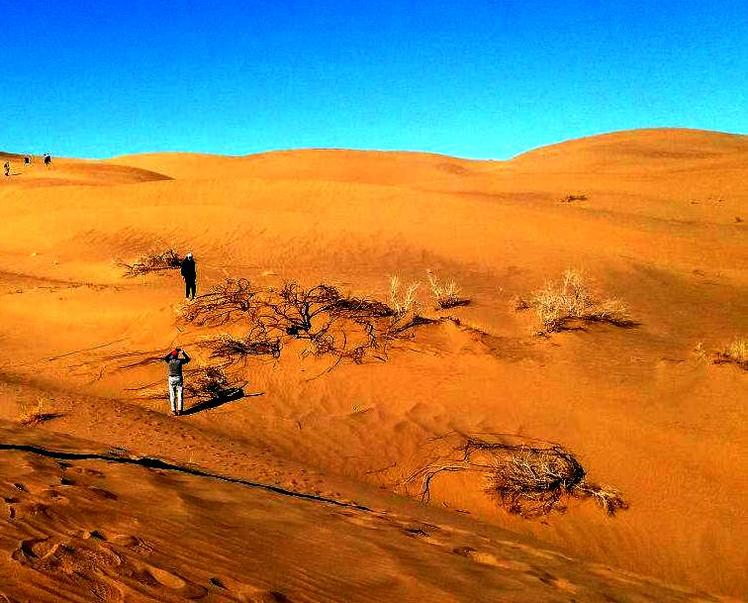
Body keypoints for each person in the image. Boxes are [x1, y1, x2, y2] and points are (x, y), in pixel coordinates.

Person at [163, 348, 190, 415]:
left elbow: (165, 358)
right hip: (179, 378)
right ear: (177, 355)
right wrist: (183, 353)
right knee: (180, 393)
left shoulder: (169, 361)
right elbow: (188, 359)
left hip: (171, 378)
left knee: (172, 394)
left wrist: (172, 352)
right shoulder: (179, 361)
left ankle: (173, 411)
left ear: (172, 355)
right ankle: (180, 410)